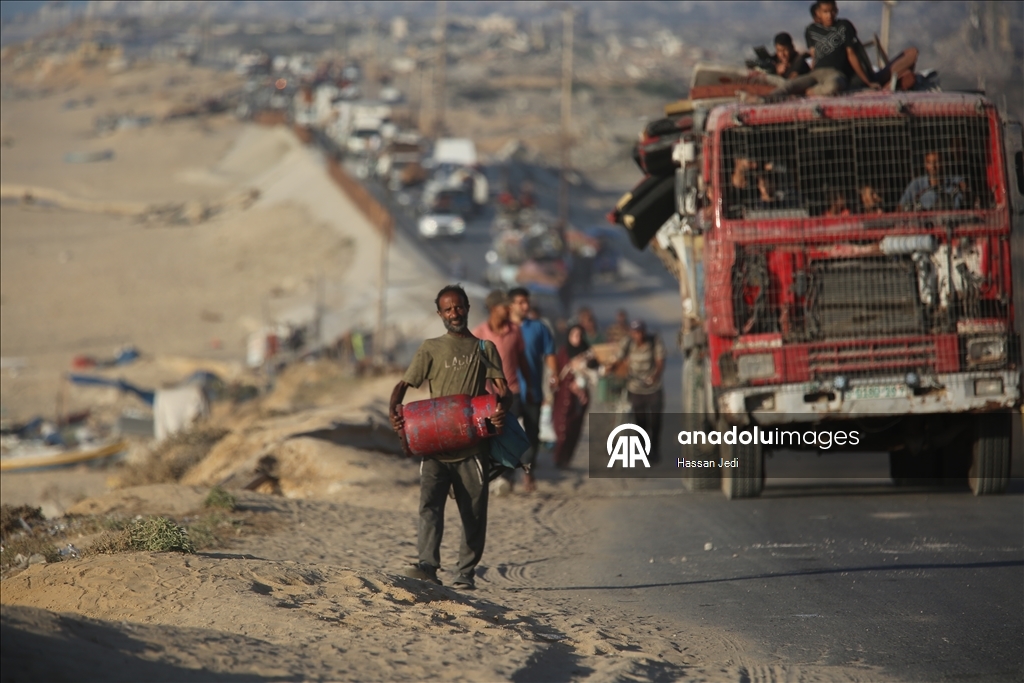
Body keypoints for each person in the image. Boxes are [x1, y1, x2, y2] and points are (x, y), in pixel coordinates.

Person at [389, 285, 510, 590]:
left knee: (474, 512)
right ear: (439, 314)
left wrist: (500, 411)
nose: (454, 313)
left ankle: (465, 573)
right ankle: (428, 565)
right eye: (448, 309)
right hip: (436, 444)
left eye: (458, 307)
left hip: (472, 447)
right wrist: (394, 410)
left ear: (468, 308)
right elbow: (404, 385)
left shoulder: (484, 348)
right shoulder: (430, 348)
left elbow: (503, 392)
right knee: (429, 507)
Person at [472, 289, 531, 493]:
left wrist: (531, 387)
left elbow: (523, 362)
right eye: (505, 306)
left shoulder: (515, 332)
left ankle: (506, 477)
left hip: (511, 392)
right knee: (489, 435)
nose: (509, 309)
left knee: (509, 434)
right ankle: (491, 475)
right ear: (493, 308)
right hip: (487, 397)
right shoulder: (479, 334)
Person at [508, 287, 556, 492]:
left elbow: (549, 354)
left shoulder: (539, 328)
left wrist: (554, 373)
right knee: (506, 433)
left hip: (533, 390)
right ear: (511, 305)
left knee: (533, 434)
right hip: (508, 392)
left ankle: (528, 472)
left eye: (526, 302)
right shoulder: (502, 330)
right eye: (520, 302)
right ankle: (507, 475)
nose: (525, 306)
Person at [608, 320, 666, 463]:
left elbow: (660, 360)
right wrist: (610, 366)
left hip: (653, 387)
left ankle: (655, 448)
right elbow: (617, 358)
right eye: (635, 332)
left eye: (640, 332)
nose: (638, 335)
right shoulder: (627, 343)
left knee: (655, 421)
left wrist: (655, 375)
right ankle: (644, 450)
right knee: (640, 423)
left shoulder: (654, 341)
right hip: (635, 388)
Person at [552, 324, 593, 469]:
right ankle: (558, 457)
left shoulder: (588, 353)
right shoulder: (563, 352)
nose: (577, 338)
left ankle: (566, 459)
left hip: (580, 399)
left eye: (580, 335)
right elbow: (556, 372)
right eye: (574, 335)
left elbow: (594, 373)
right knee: (562, 427)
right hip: (563, 397)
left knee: (574, 429)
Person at [899, 151, 965, 211]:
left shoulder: (956, 181)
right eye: (929, 162)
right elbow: (900, 206)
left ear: (943, 163)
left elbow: (967, 195)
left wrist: (964, 189)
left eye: (936, 162)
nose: (933, 166)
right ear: (925, 165)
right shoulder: (916, 184)